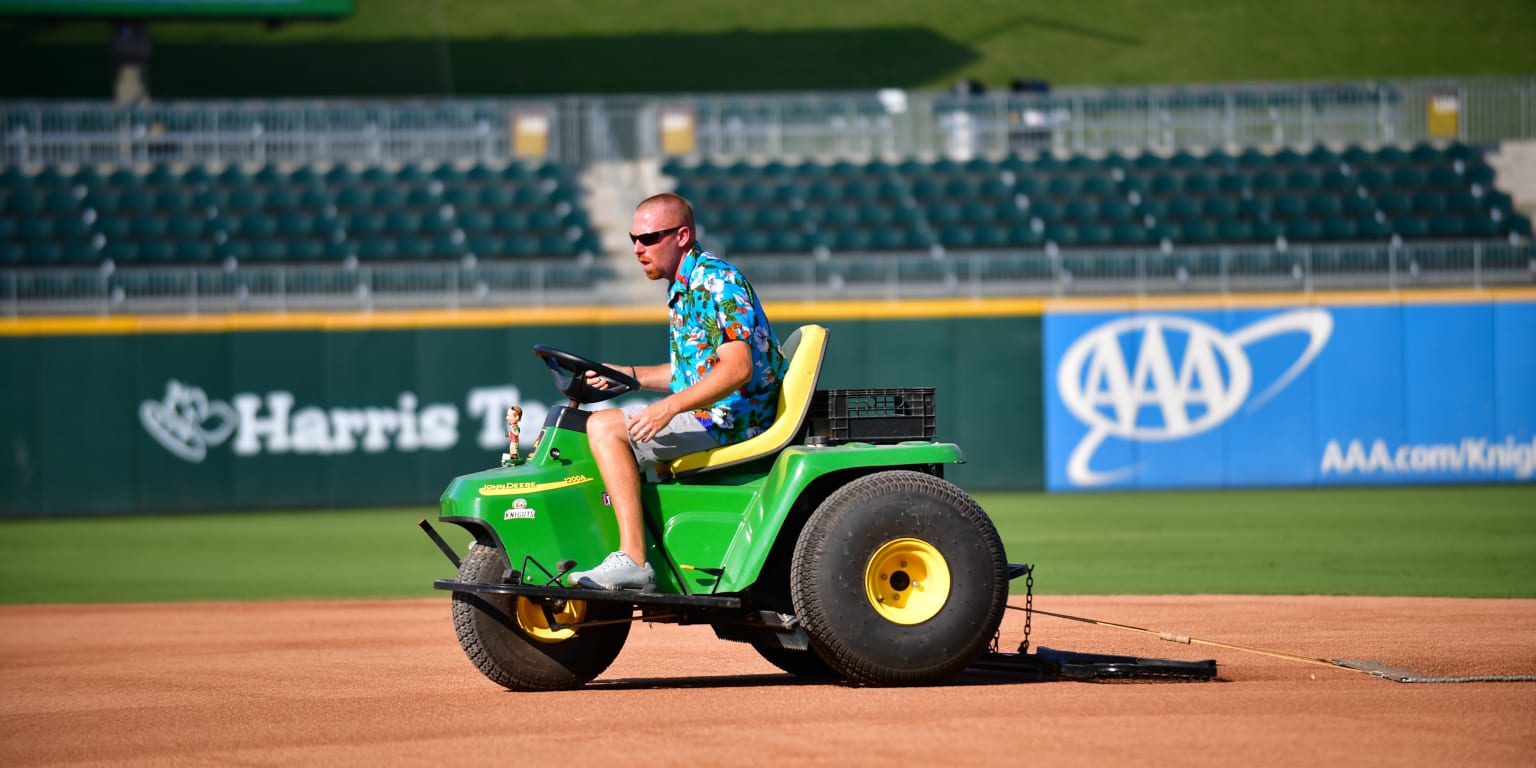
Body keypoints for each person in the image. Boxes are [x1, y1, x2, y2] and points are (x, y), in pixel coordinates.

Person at [568, 193, 786, 590]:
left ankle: (633, 558)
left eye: (649, 238)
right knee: (601, 426)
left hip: (732, 420)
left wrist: (667, 409)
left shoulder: (716, 281)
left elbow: (737, 369)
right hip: (717, 413)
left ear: (682, 235)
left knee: (604, 428)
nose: (637, 248)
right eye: (634, 238)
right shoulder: (685, 286)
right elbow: (695, 373)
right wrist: (630, 375)